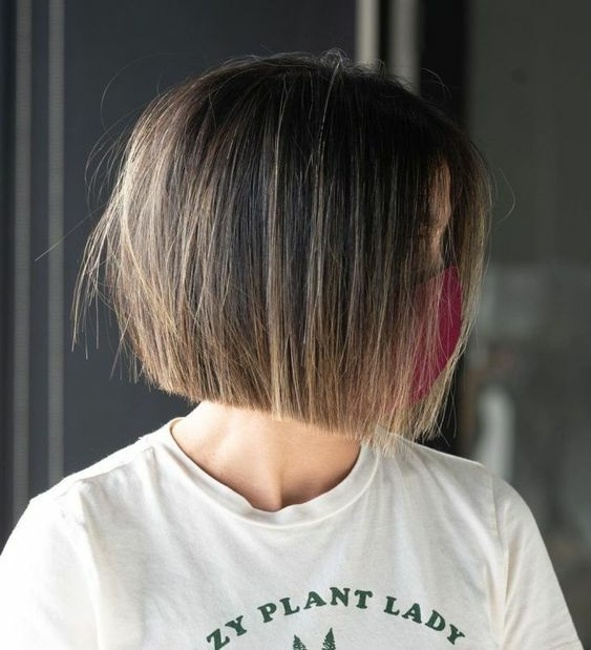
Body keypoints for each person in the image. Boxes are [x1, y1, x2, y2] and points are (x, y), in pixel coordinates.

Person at [0, 51, 581, 649]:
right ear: (288, 270)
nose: (443, 288)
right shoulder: (82, 539)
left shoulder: (482, 520)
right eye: (413, 245)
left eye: (440, 247)